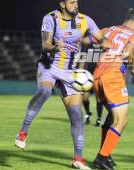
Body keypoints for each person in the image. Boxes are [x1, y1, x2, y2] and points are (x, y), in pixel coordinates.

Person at [14, 0, 110, 169]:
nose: (76, 5)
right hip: (49, 66)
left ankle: (77, 159)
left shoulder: (86, 20)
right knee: (44, 91)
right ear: (63, 4)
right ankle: (22, 132)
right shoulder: (51, 18)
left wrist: (105, 44)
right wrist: (54, 48)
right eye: (72, 2)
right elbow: (46, 44)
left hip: (69, 72)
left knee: (76, 115)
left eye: (77, 2)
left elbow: (102, 38)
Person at [90, 8, 134, 170]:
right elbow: (128, 51)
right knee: (122, 119)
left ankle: (105, 154)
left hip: (98, 75)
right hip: (112, 77)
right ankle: (101, 157)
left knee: (113, 117)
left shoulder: (107, 30)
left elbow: (88, 40)